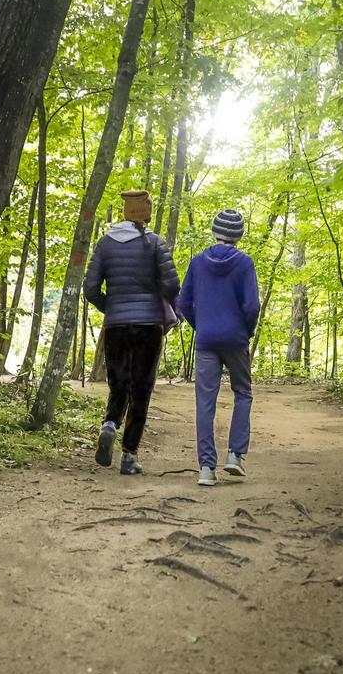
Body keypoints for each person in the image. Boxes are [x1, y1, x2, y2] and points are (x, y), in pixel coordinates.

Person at [83, 189, 180, 475]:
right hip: (149, 326)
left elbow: (90, 289)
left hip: (116, 326)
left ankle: (110, 424)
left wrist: (110, 306)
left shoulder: (105, 244)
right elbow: (172, 286)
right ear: (145, 214)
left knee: (119, 383)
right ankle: (129, 456)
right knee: (141, 388)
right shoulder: (155, 244)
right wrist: (157, 298)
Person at [177, 209, 259, 487]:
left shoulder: (198, 262)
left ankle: (206, 469)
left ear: (214, 232)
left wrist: (200, 326)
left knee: (205, 402)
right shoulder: (245, 263)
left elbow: (183, 303)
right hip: (236, 339)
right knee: (243, 393)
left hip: (206, 340)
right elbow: (251, 306)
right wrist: (246, 330)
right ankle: (235, 455)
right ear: (238, 235)